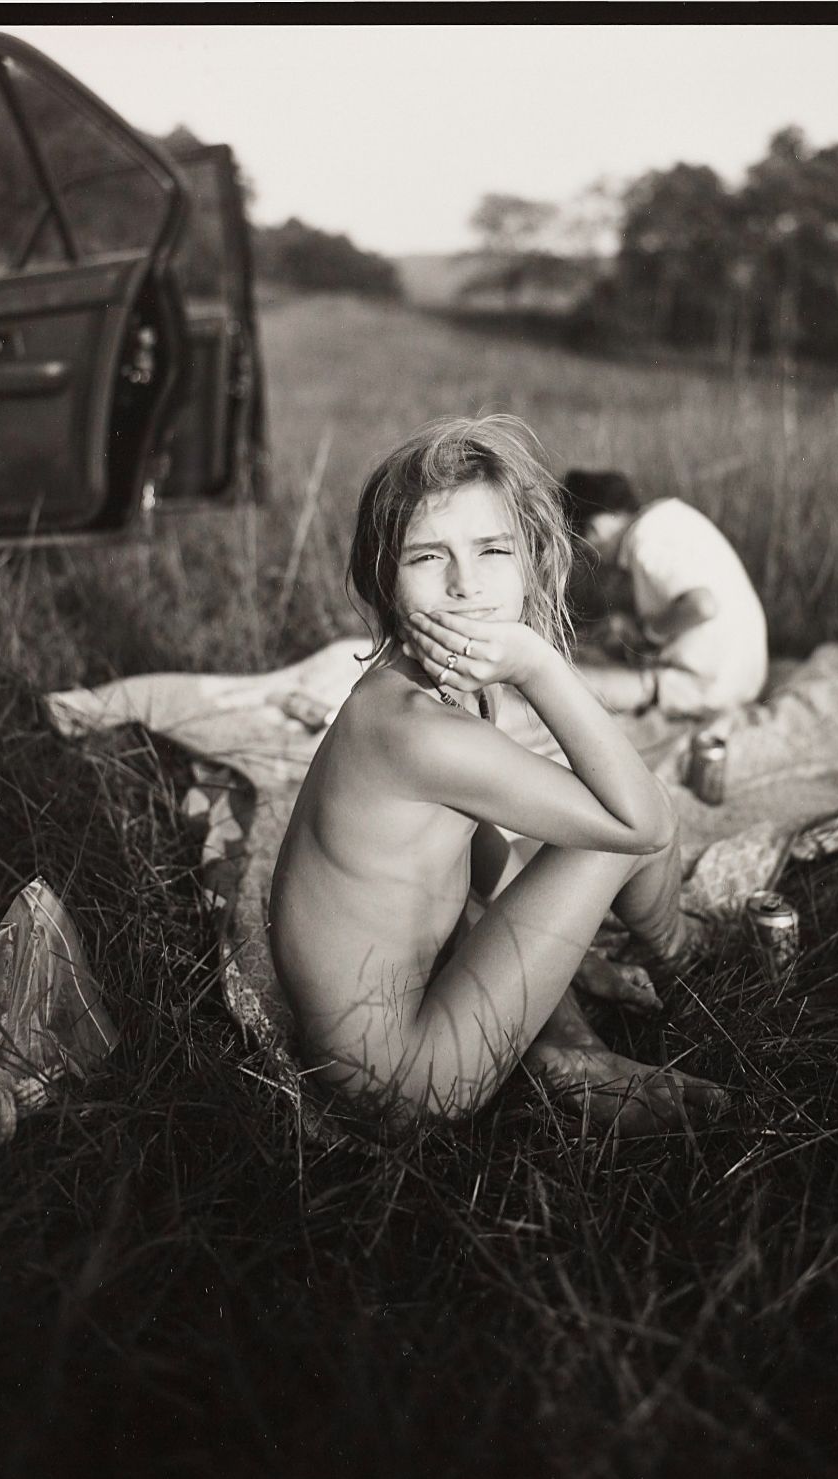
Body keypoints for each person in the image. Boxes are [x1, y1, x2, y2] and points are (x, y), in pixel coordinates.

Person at [268, 416, 725, 1132]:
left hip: (409, 1027)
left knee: (553, 841)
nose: (465, 586)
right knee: (615, 825)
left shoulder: (426, 687)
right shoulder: (413, 731)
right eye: (427, 557)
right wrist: (539, 663)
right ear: (383, 578)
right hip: (409, 1084)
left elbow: (480, 855)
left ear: (530, 559)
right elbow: (645, 823)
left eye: (492, 549)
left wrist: (568, 974)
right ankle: (684, 953)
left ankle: (562, 1045)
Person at [559, 471, 770, 718]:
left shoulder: (644, 541)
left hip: (718, 685)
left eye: (585, 547)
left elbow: (702, 605)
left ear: (595, 528)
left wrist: (648, 633)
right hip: (746, 671)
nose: (597, 558)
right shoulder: (666, 516)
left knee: (582, 682)